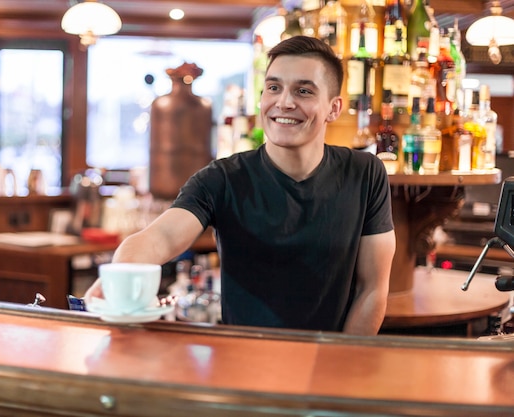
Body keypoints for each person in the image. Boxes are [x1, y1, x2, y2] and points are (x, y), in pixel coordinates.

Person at [85, 35, 396, 336]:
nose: (284, 102)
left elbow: (373, 289)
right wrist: (122, 269)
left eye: (303, 92)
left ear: (334, 108)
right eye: (273, 87)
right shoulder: (222, 178)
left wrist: (340, 366)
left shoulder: (364, 173)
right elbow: (162, 236)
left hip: (329, 365)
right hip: (242, 365)